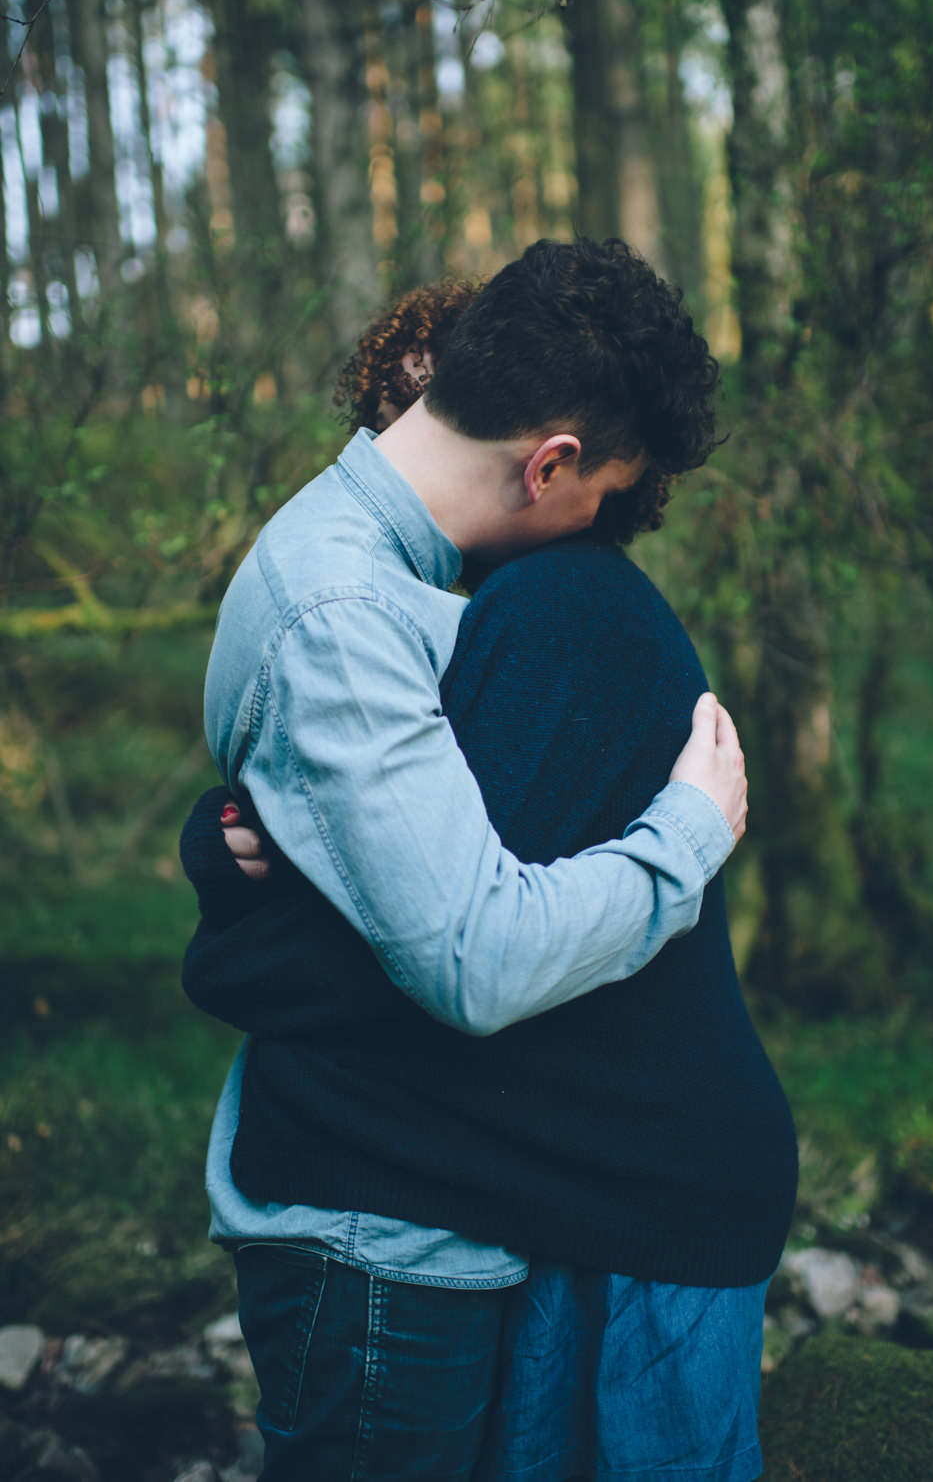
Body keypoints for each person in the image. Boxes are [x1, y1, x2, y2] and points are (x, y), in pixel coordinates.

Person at [181, 241, 796, 1479]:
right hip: (367, 1251)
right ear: (550, 461)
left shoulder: (395, 584)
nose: (599, 534)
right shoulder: (346, 619)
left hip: (430, 1215)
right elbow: (473, 955)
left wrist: (253, 868)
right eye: (603, 495)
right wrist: (685, 834)